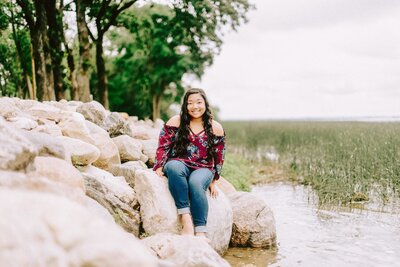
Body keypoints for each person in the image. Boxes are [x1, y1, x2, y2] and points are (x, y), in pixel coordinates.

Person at [153, 88, 226, 238]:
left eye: (199, 102)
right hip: (179, 162)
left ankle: (200, 231)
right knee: (173, 167)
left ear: (205, 103)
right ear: (185, 106)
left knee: (196, 183)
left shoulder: (215, 127)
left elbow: (219, 157)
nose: (195, 107)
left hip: (203, 168)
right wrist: (160, 165)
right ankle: (185, 218)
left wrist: (214, 179)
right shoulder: (176, 121)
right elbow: (163, 145)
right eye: (190, 103)